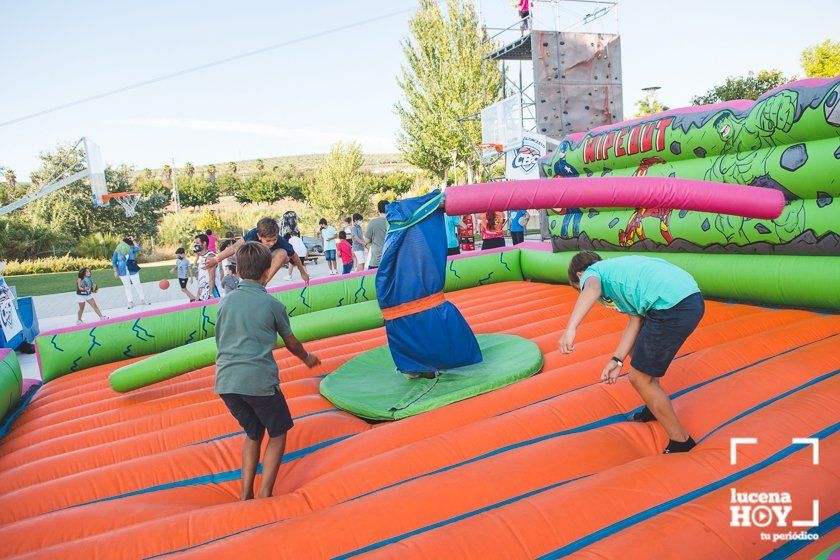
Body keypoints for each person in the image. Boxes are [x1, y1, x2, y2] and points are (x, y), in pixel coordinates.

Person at [560, 251, 704, 454]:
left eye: (578, 288)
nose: (581, 290)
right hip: (687, 298)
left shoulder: (593, 274)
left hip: (674, 307)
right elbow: (635, 321)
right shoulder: (616, 273)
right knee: (636, 352)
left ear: (580, 274)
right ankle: (653, 405)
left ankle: (681, 441)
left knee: (638, 378)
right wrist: (616, 360)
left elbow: (591, 287)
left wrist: (571, 328)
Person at [214, 241, 321, 501]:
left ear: (238, 272)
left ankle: (244, 492)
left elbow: (221, 340)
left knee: (252, 432)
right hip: (258, 382)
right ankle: (264, 493)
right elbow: (291, 342)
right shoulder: (272, 305)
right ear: (266, 273)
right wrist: (307, 358)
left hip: (226, 382)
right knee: (278, 431)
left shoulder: (225, 303)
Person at [205, 217, 309, 284]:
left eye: (274, 240)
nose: (272, 243)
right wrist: (216, 259)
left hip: (268, 258)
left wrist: (302, 272)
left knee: (283, 253)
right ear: (259, 236)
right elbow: (234, 247)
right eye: (268, 241)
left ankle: (263, 283)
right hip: (255, 259)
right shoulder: (253, 234)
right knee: (244, 249)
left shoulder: (281, 241)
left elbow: (294, 255)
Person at [112, 238, 147, 309]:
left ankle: (142, 300)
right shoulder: (117, 250)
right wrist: (115, 271)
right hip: (122, 271)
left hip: (133, 270)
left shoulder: (131, 248)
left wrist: (134, 240)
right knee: (127, 287)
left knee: (137, 285)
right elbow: (114, 262)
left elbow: (138, 248)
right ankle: (130, 302)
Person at [365, 200, 389, 270]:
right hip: (390, 259)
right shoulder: (393, 221)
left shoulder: (373, 222)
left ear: (378, 210)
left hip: (376, 260)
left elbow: (366, 240)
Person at [194, 234, 218, 301]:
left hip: (211, 293)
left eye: (198, 243)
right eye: (195, 243)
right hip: (203, 294)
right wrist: (198, 295)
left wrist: (210, 295)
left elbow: (212, 276)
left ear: (204, 243)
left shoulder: (210, 257)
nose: (195, 245)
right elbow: (202, 280)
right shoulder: (203, 257)